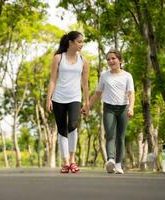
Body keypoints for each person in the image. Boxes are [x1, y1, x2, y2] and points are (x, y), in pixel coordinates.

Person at [82, 48, 134, 174]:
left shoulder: (127, 76)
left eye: (113, 58)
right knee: (110, 135)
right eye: (108, 59)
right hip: (109, 108)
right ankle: (110, 160)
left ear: (120, 60)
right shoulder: (104, 75)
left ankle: (118, 165)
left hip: (123, 108)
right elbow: (98, 93)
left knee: (120, 137)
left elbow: (131, 94)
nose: (110, 61)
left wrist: (131, 107)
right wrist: (87, 105)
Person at [46, 31, 89, 173]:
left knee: (73, 125)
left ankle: (72, 159)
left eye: (82, 42)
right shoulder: (58, 58)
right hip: (58, 98)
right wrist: (49, 99)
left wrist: (87, 103)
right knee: (62, 129)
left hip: (75, 98)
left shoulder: (83, 61)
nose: (81, 44)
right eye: (79, 41)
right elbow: (52, 79)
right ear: (70, 42)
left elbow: (85, 84)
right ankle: (65, 162)